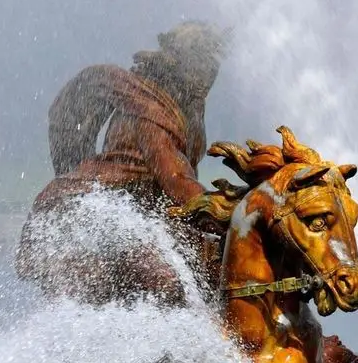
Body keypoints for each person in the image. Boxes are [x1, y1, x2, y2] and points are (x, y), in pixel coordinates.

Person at [16, 21, 229, 304]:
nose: (210, 75)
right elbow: (177, 181)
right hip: (97, 211)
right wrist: (234, 213)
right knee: (165, 280)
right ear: (185, 66)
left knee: (213, 268)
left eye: (213, 66)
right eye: (205, 65)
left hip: (142, 211)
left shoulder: (186, 107)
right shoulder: (150, 110)